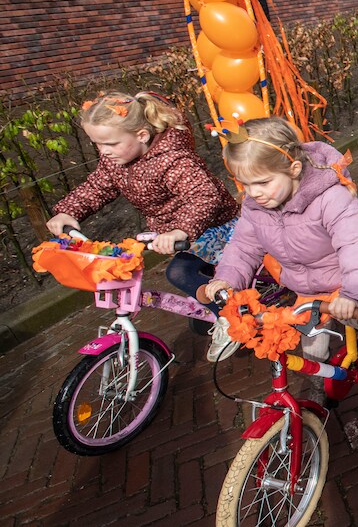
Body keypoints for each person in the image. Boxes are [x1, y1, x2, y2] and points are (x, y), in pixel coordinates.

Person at [205, 118, 358, 385]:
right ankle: (317, 390)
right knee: (312, 348)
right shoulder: (255, 206)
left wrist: (353, 293)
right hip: (308, 288)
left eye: (263, 183)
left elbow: (355, 245)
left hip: (346, 280)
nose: (254, 193)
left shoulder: (331, 199)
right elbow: (243, 246)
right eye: (245, 184)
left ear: (294, 169)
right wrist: (227, 279)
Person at [47, 91, 241, 362]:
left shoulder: (173, 159)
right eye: (97, 144)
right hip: (180, 233)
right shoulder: (116, 160)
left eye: (110, 143)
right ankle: (216, 300)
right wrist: (69, 211)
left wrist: (180, 230)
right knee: (195, 269)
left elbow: (204, 194)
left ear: (141, 135)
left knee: (179, 272)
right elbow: (98, 185)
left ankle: (232, 320)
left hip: (214, 225)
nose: (103, 151)